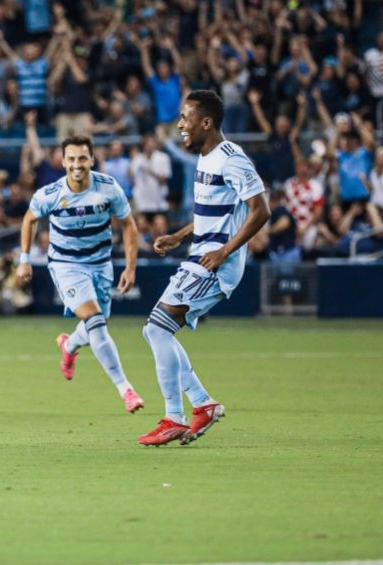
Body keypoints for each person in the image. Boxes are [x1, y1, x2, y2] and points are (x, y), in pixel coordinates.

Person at [139, 90, 270, 446]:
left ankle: (174, 417)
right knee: (156, 331)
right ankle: (202, 404)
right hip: (200, 256)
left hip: (216, 263)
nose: (181, 125)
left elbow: (260, 210)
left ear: (206, 122)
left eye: (186, 118)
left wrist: (225, 251)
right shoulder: (205, 157)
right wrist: (179, 236)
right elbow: (209, 213)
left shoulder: (232, 159)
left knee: (157, 328)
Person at [16, 135, 145, 414]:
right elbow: (29, 219)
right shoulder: (50, 193)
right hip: (66, 265)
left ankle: (70, 344)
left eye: (82, 158)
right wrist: (24, 259)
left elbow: (129, 225)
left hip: (101, 264)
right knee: (97, 323)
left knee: (95, 325)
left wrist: (131, 267)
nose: (77, 165)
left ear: (92, 159)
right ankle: (126, 389)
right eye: (71, 159)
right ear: (63, 162)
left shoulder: (108, 188)